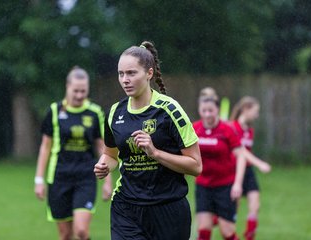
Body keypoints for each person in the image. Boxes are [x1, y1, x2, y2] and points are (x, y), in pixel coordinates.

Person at [94, 41, 202, 240]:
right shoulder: (114, 113)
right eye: (121, 74)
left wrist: (155, 153)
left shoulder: (170, 111)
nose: (125, 79)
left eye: (131, 73)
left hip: (168, 209)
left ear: (149, 73)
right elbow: (110, 155)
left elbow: (195, 166)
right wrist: (104, 165)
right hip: (126, 207)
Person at [34, 66, 112, 240]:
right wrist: (39, 180)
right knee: (65, 235)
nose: (79, 95)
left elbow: (102, 147)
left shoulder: (95, 113)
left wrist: (107, 181)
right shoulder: (54, 112)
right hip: (59, 177)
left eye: (83, 91)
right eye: (76, 90)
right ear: (67, 86)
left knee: (81, 231)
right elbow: (45, 147)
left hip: (85, 177)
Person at [192, 89, 246, 240]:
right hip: (203, 186)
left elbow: (241, 156)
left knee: (227, 233)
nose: (207, 114)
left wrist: (238, 184)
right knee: (203, 232)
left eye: (211, 110)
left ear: (217, 110)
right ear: (199, 110)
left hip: (225, 187)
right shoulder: (194, 129)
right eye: (204, 110)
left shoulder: (227, 130)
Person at [229, 96, 271, 240]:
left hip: (248, 171)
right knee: (233, 209)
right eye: (255, 111)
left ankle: (249, 235)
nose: (257, 115)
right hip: (234, 171)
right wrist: (260, 163)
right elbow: (242, 152)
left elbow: (247, 152)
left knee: (255, 205)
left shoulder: (250, 130)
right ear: (246, 109)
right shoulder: (233, 128)